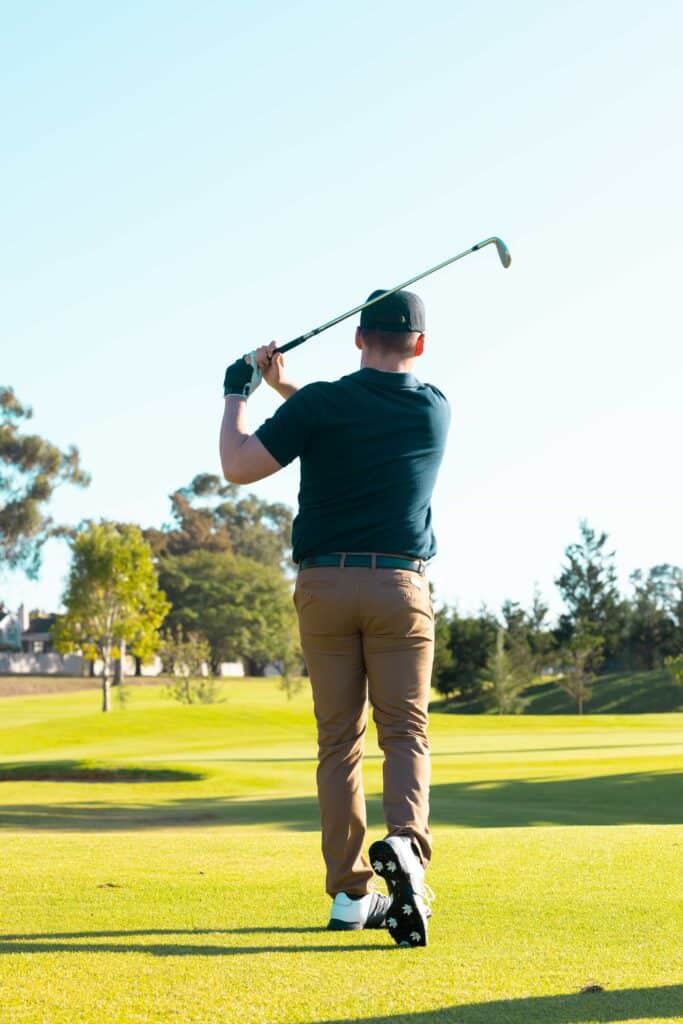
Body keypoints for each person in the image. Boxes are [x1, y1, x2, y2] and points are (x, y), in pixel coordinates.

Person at [219, 289, 450, 947]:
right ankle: (406, 846)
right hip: (399, 586)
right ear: (420, 345)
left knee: (337, 741)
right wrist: (291, 387)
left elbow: (237, 465)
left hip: (323, 585)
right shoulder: (434, 408)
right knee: (403, 732)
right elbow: (354, 418)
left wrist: (241, 391)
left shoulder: (321, 404)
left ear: (356, 338)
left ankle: (352, 895)